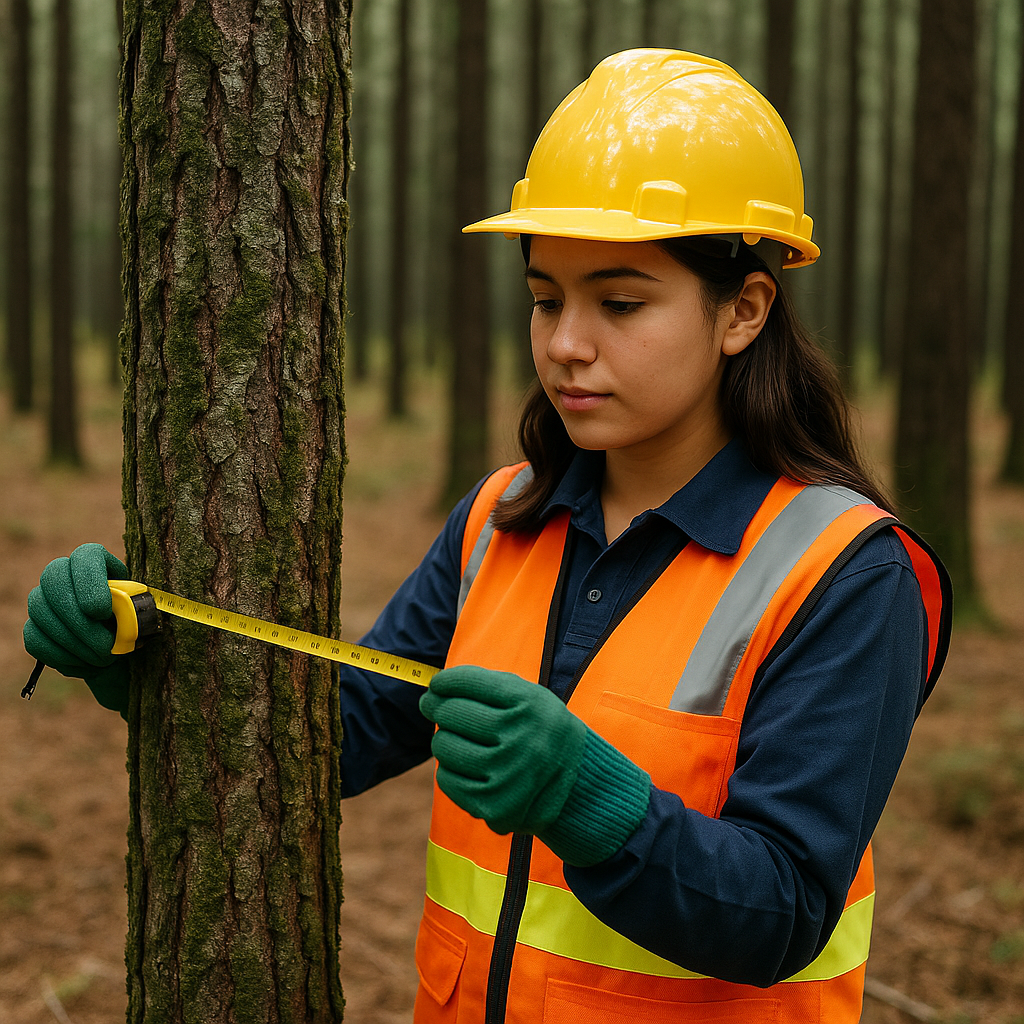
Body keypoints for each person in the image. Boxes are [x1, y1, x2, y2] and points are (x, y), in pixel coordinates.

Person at [25, 49, 951, 1024]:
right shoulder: (499, 520)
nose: (564, 344)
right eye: (546, 298)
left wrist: (594, 803)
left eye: (620, 302)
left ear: (744, 309)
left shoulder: (844, 572)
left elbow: (785, 909)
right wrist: (141, 660)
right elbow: (338, 737)